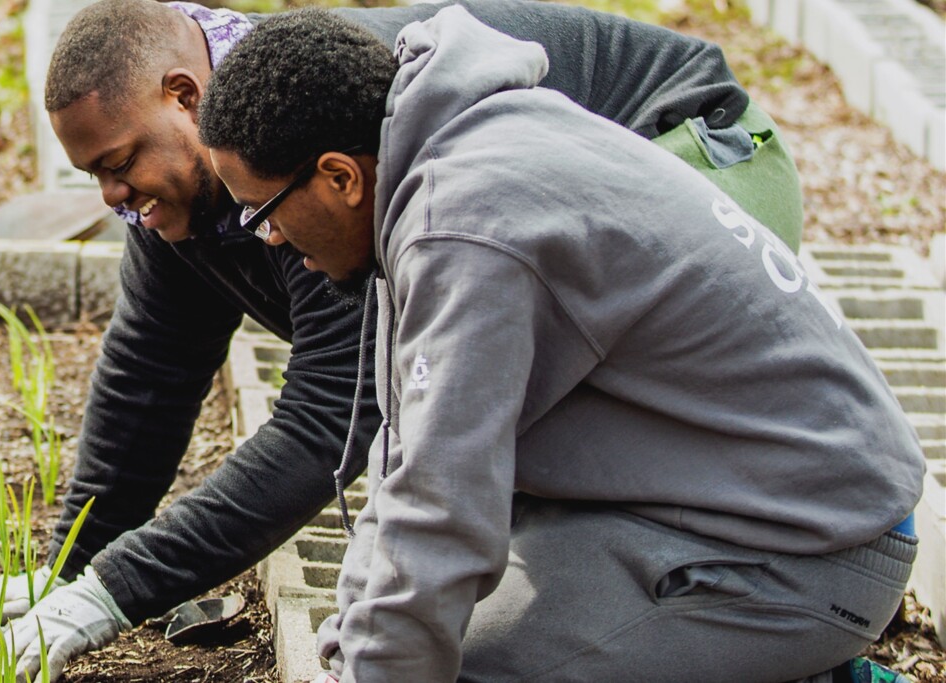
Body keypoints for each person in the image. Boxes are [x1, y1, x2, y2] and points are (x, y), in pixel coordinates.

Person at [0, 0, 808, 675]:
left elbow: (332, 417)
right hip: (538, 216)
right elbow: (150, 373)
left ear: (184, 96)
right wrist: (75, 563)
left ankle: (766, 607)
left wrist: (119, 592)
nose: (111, 197)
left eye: (117, 164)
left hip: (687, 143)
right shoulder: (186, 187)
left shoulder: (301, 140)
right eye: (94, 176)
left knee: (515, 413)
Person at [197, 7, 919, 680]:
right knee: (411, 627)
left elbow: (441, 508)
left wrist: (376, 663)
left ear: (339, 177)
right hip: (725, 500)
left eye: (261, 212)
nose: (272, 240)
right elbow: (410, 455)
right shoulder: (446, 154)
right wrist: (353, 638)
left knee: (465, 660)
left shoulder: (465, 227)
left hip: (811, 550)